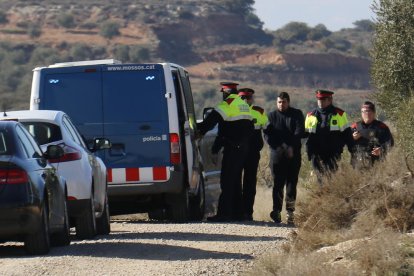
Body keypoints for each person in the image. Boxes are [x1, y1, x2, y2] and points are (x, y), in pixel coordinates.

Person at [197, 82, 254, 222]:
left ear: (225, 93)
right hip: (243, 148)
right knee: (235, 181)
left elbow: (210, 122)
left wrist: (197, 129)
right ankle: (238, 213)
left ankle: (224, 214)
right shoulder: (243, 105)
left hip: (233, 148)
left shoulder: (227, 105)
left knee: (227, 181)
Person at [264, 92, 304, 224]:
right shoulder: (271, 116)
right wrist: (282, 147)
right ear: (276, 103)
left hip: (294, 154)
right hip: (277, 155)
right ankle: (276, 211)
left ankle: (290, 212)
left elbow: (299, 132)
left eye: (284, 102)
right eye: (279, 102)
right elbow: (268, 136)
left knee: (292, 183)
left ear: (288, 102)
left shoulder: (296, 114)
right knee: (278, 184)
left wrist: (291, 147)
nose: (281, 104)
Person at [304, 89, 354, 181]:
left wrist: (353, 151)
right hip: (316, 153)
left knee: (331, 178)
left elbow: (347, 135)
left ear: (330, 100)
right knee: (320, 179)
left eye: (323, 100)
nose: (320, 102)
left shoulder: (340, 114)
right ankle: (322, 194)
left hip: (333, 153)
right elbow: (306, 137)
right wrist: (308, 151)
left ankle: (330, 194)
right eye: (319, 100)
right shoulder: (310, 115)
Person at [238, 88, 269, 221]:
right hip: (238, 152)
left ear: (252, 99)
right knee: (236, 182)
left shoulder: (259, 112)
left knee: (250, 183)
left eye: (248, 98)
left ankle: (247, 212)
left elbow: (267, 130)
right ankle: (237, 211)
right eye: (243, 98)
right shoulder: (235, 110)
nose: (246, 100)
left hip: (252, 152)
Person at [351, 101, 394, 168]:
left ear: (374, 113)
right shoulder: (355, 126)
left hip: (377, 164)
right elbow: (345, 142)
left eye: (368, 111)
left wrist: (381, 149)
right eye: (363, 111)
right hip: (358, 164)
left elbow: (390, 142)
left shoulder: (382, 127)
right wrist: (352, 138)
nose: (365, 113)